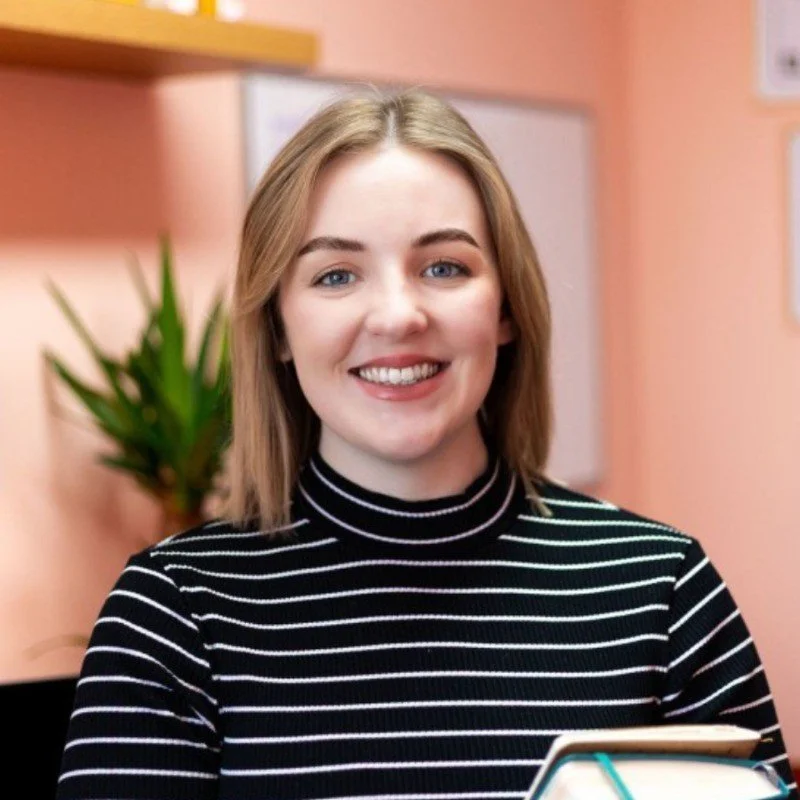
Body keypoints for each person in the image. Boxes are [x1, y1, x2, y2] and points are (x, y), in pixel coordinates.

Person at [56, 89, 796, 800]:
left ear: (505, 306)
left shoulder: (660, 586)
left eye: (444, 267)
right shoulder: (176, 610)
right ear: (278, 327)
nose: (398, 315)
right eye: (336, 274)